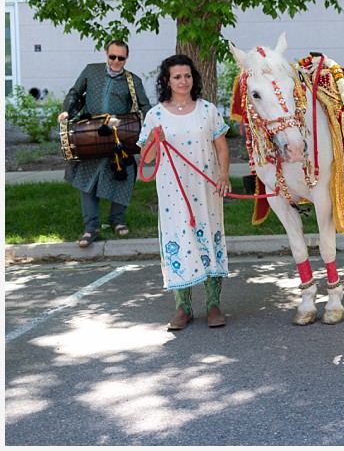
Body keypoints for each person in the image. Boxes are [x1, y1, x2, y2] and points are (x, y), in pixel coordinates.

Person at [137, 54, 232, 331]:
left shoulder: (208, 110)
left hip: (206, 187)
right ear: (167, 80)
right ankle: (183, 307)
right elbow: (149, 158)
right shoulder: (155, 115)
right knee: (180, 238)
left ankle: (213, 304)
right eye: (177, 76)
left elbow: (221, 147)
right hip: (173, 192)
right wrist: (155, 139)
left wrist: (223, 175)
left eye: (187, 76)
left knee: (210, 238)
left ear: (194, 78)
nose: (183, 81)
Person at [58, 40, 151, 247]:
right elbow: (76, 93)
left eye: (121, 58)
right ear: (106, 54)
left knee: (123, 177)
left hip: (119, 136)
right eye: (113, 57)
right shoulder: (91, 71)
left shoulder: (132, 80)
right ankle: (91, 227)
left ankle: (117, 220)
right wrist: (67, 111)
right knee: (87, 179)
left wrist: (151, 126)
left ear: (126, 58)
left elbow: (144, 105)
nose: (116, 61)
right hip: (89, 134)